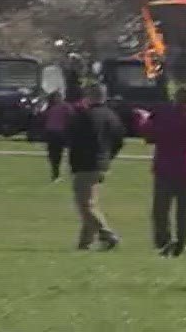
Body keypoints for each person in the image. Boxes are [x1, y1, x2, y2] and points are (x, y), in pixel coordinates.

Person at [142, 85, 186, 257]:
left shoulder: (163, 116)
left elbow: (149, 135)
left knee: (161, 209)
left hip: (164, 166)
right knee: (184, 210)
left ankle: (163, 241)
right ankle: (181, 242)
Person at [64, 84, 126, 251]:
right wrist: (108, 157)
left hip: (85, 164)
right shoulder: (112, 116)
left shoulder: (84, 116)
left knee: (85, 205)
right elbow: (119, 140)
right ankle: (85, 243)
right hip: (102, 164)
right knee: (91, 203)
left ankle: (107, 233)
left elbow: (73, 139)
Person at [41, 91, 72, 182]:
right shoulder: (49, 107)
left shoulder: (66, 107)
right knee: (54, 155)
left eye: (59, 97)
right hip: (52, 133)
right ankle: (55, 175)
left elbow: (71, 117)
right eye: (56, 97)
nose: (58, 99)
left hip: (61, 133)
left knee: (63, 154)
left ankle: (68, 173)